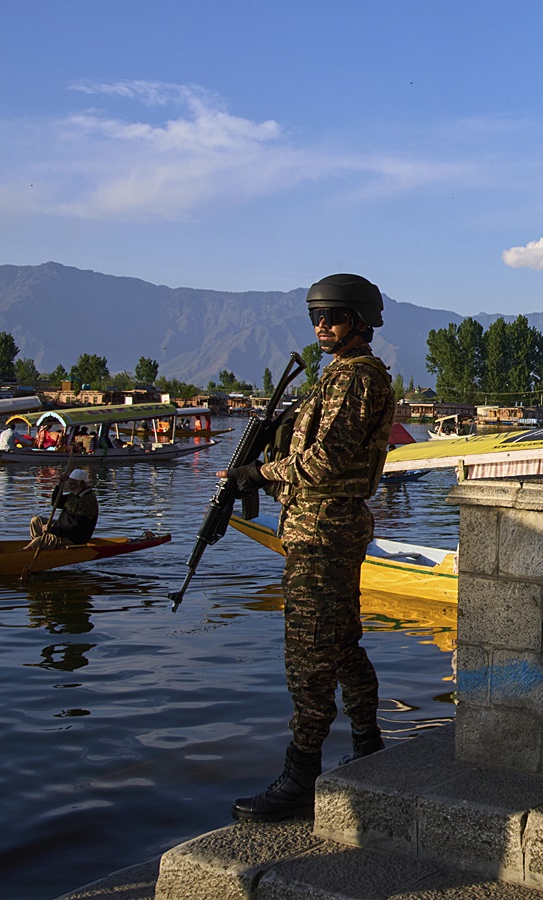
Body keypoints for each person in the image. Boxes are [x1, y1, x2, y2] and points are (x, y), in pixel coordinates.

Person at [220, 273, 396, 821]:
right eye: (317, 317)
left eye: (335, 317)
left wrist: (258, 471)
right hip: (325, 529)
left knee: (309, 654)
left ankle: (302, 773)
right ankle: (367, 746)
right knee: (341, 642)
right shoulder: (338, 376)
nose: (323, 325)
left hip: (323, 533)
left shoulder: (353, 380)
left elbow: (323, 465)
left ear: (360, 322)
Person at [26, 469, 98, 549]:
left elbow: (75, 528)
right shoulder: (75, 495)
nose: (70, 488)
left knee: (40, 541)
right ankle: (41, 546)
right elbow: (56, 503)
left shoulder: (87, 501)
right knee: (36, 521)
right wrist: (60, 484)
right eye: (69, 484)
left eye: (72, 485)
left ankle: (39, 544)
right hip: (63, 528)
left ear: (81, 483)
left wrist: (52, 530)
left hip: (73, 538)